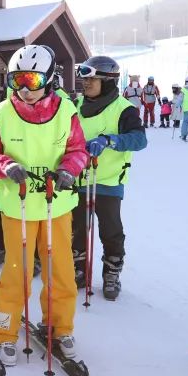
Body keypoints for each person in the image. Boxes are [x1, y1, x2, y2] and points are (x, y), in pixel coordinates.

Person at [0, 45, 88, 363]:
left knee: (61, 270)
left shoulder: (67, 112)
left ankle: (59, 326)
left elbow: (78, 149)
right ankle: (3, 333)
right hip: (18, 206)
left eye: (33, 80)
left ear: (50, 78)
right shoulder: (0, 115)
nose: (25, 89)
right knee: (17, 272)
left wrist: (70, 169)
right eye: (18, 80)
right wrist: (5, 166)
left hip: (56, 203)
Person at [70, 56, 147, 299]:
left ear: (107, 80)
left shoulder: (124, 109)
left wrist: (110, 140)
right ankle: (79, 269)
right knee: (77, 229)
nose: (86, 83)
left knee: (111, 231)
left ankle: (111, 273)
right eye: (85, 78)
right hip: (79, 180)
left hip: (108, 181)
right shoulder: (76, 105)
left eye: (92, 78)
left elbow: (139, 140)